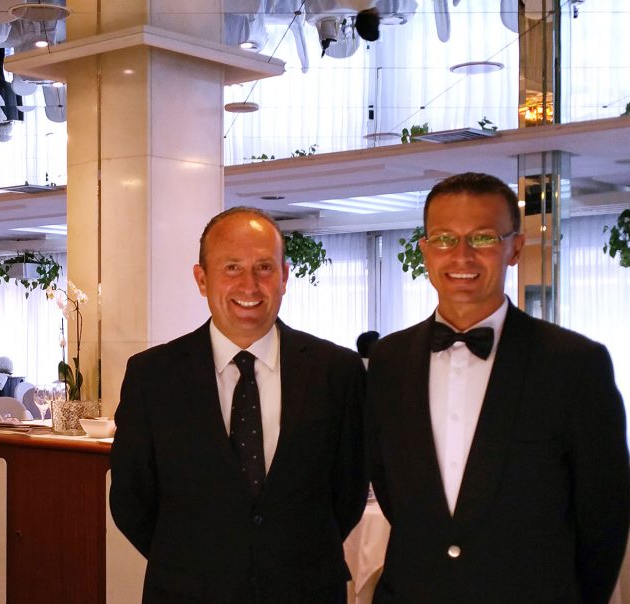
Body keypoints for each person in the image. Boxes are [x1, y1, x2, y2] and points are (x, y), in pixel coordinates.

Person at [365, 172, 630, 604]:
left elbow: (604, 516)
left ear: (515, 248)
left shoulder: (575, 363)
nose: (462, 256)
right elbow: (390, 487)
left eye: (483, 238)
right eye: (445, 239)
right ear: (426, 251)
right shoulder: (388, 361)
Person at [110, 207, 367, 603]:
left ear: (285, 276)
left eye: (264, 267)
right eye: (231, 268)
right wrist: (193, 564)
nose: (250, 285)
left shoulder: (337, 371)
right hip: (187, 592)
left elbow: (348, 492)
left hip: (305, 590)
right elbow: (131, 499)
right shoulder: (153, 376)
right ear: (202, 279)